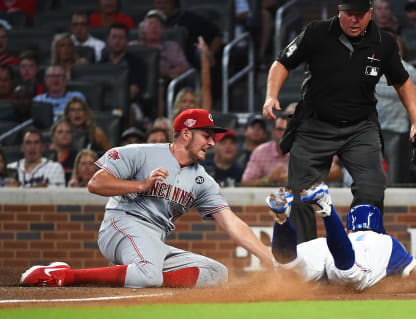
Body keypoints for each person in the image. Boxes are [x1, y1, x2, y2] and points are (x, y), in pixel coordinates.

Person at [20, 108, 273, 288]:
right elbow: (95, 183)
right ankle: (62, 275)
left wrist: (269, 258)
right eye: (206, 136)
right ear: (186, 134)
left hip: (154, 240)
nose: (211, 142)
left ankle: (143, 274)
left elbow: (231, 223)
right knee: (148, 274)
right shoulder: (142, 153)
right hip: (122, 223)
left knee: (217, 273)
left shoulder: (202, 180)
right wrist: (141, 184)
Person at [263, 0, 416, 242]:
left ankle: (363, 251)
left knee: (372, 187)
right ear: (339, 12)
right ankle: (305, 264)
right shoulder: (316, 32)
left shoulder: (383, 42)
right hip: (314, 125)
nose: (354, 20)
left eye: (360, 15)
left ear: (370, 14)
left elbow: (403, 82)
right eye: (349, 14)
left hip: (360, 127)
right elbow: (281, 63)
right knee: (299, 195)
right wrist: (271, 95)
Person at [265, 183, 416, 292]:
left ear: (348, 230)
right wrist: (391, 285)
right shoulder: (388, 242)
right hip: (348, 259)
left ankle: (281, 220)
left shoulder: (347, 236)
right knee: (347, 272)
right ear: (380, 228)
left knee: (288, 264)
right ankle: (326, 209)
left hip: (321, 247)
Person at [375, 31, 416, 185]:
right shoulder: (368, 68)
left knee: (396, 181)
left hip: (397, 131)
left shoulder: (409, 71)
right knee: (371, 177)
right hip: (371, 130)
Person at [153, 0, 224, 69]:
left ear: (174, 3)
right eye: (158, 3)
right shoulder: (150, 22)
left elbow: (218, 36)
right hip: (160, 65)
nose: (161, 6)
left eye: (165, 3)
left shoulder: (190, 19)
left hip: (189, 65)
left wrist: (210, 53)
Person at [99, 23, 146, 124]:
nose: (117, 41)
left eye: (121, 38)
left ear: (127, 41)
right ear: (108, 39)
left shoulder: (136, 63)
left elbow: (133, 90)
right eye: (114, 37)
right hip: (103, 104)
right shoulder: (101, 63)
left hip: (129, 104)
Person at [241, 114, 289, 186]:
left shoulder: (301, 152)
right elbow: (245, 182)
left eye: (287, 129)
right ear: (273, 132)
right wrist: (269, 179)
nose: (284, 133)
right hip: (266, 196)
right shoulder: (260, 152)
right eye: (280, 129)